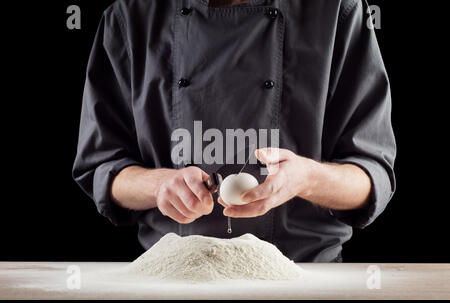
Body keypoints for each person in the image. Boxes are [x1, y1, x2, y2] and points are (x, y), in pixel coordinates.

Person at [73, 0, 396, 262]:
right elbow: (103, 167)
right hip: (173, 276)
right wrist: (159, 185)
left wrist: (307, 177)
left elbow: (371, 178)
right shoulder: (130, 15)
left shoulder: (337, 10)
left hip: (308, 276)